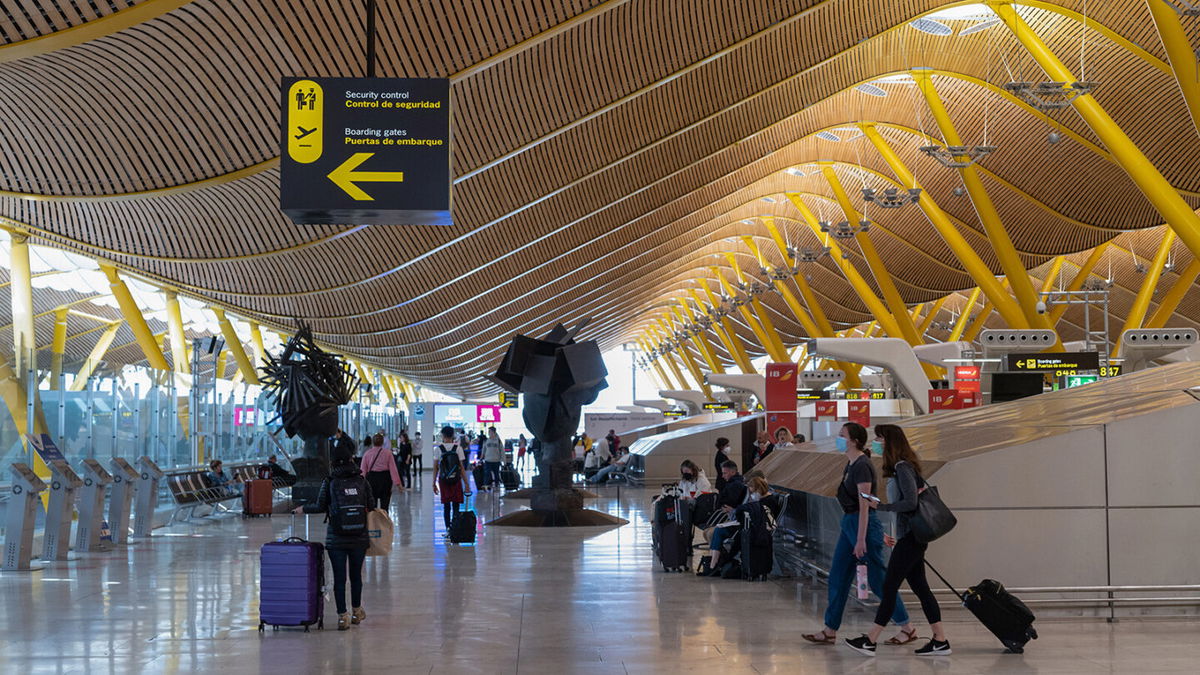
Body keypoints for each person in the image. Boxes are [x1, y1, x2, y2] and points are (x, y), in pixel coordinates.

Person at [802, 422, 915, 647]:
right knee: (838, 576)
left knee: (878, 581)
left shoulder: (862, 466)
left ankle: (907, 627)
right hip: (850, 524)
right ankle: (830, 629)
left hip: (860, 524)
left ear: (854, 440)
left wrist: (863, 538)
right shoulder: (851, 464)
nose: (838, 438)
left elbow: (865, 506)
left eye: (842, 435)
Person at [844, 425, 951, 657]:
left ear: (890, 442)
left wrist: (880, 506)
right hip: (910, 536)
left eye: (880, 438)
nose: (877, 442)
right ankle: (940, 640)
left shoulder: (903, 467)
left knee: (889, 586)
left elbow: (911, 503)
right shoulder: (901, 468)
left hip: (912, 538)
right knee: (921, 588)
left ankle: (870, 640)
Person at [292, 447, 374, 631]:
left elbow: (320, 506)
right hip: (359, 535)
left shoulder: (330, 481)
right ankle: (356, 611)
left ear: (333, 462)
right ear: (351, 460)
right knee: (356, 576)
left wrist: (302, 509)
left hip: (337, 536)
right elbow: (372, 504)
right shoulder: (361, 480)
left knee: (339, 578)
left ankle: (342, 616)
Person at [697, 465, 762, 576]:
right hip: (739, 521)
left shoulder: (755, 496)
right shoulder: (747, 493)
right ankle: (716, 561)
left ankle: (714, 565)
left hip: (744, 526)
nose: (748, 486)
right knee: (708, 532)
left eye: (750, 485)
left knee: (716, 531)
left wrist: (733, 511)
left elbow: (748, 512)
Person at [432, 426, 466, 532]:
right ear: (453, 435)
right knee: (456, 506)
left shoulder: (438, 449)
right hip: (456, 480)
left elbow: (435, 468)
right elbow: (461, 468)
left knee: (446, 506)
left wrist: (434, 483)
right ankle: (455, 528)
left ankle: (448, 530)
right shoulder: (458, 448)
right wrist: (467, 484)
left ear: (443, 435)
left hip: (444, 481)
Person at [360, 433, 402, 510]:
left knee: (372, 506)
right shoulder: (388, 453)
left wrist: (361, 484)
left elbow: (362, 471)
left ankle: (374, 521)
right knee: (385, 506)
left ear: (373, 442)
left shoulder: (367, 454)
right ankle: (384, 520)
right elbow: (393, 469)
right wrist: (398, 483)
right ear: (383, 442)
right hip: (385, 479)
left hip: (372, 479)